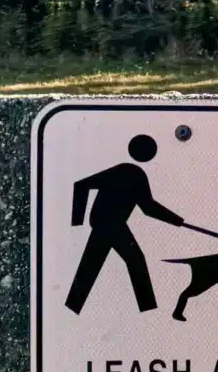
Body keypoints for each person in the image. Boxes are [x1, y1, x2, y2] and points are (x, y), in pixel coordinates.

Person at [64, 134, 185, 315]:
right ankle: (148, 309)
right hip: (108, 223)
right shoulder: (131, 172)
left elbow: (147, 207)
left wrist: (177, 221)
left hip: (109, 223)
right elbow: (81, 186)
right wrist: (76, 224)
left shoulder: (129, 172)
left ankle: (73, 307)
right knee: (130, 260)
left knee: (96, 263)